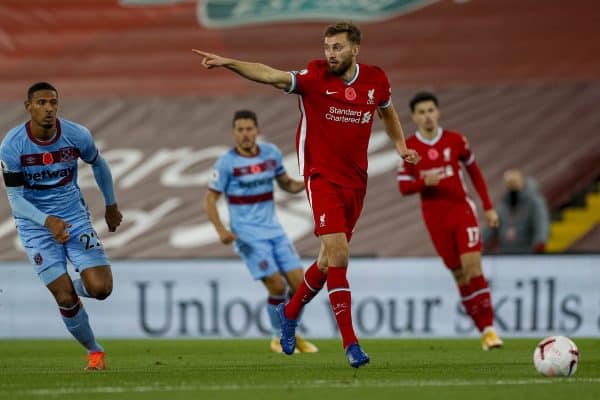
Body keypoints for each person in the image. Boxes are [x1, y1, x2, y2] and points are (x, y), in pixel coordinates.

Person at [193, 21, 419, 368]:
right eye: (328, 47)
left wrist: (401, 146)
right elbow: (270, 75)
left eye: (338, 48)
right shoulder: (314, 77)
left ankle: (290, 311)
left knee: (328, 260)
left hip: (356, 182)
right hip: (321, 177)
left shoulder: (376, 80)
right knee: (339, 255)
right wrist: (230, 62)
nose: (331, 53)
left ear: (355, 49)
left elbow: (387, 112)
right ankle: (351, 344)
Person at [0, 82, 122, 370]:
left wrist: (111, 204)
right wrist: (47, 221)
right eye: (41, 103)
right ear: (28, 107)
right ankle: (95, 352)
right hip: (36, 226)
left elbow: (99, 164)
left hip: (75, 218)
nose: (48, 108)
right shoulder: (12, 145)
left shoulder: (76, 135)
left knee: (102, 289)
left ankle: (73, 286)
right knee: (64, 297)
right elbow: (15, 200)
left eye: (53, 102)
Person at [204, 109, 318, 354]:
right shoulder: (226, 163)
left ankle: (291, 334)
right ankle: (279, 338)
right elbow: (210, 200)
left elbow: (286, 183)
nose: (245, 134)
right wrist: (221, 230)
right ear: (234, 133)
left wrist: (310, 182)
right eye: (240, 130)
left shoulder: (271, 154)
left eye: (249, 129)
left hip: (275, 231)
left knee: (301, 287)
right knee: (277, 287)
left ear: (258, 130)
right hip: (247, 235)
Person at [397, 91, 503, 351]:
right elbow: (402, 185)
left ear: (438, 112)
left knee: (472, 268)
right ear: (413, 117)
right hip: (435, 218)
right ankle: (482, 330)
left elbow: (474, 173)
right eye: (421, 112)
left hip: (461, 211)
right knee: (459, 275)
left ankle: (490, 329)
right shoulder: (409, 147)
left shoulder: (456, 140)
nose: (427, 116)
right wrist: (423, 182)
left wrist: (488, 207)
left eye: (431, 110)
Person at [483, 169, 550, 254]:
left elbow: (541, 222)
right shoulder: (505, 204)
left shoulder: (534, 203)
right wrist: (480, 242)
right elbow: (492, 226)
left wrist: (540, 241)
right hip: (506, 252)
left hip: (527, 252)